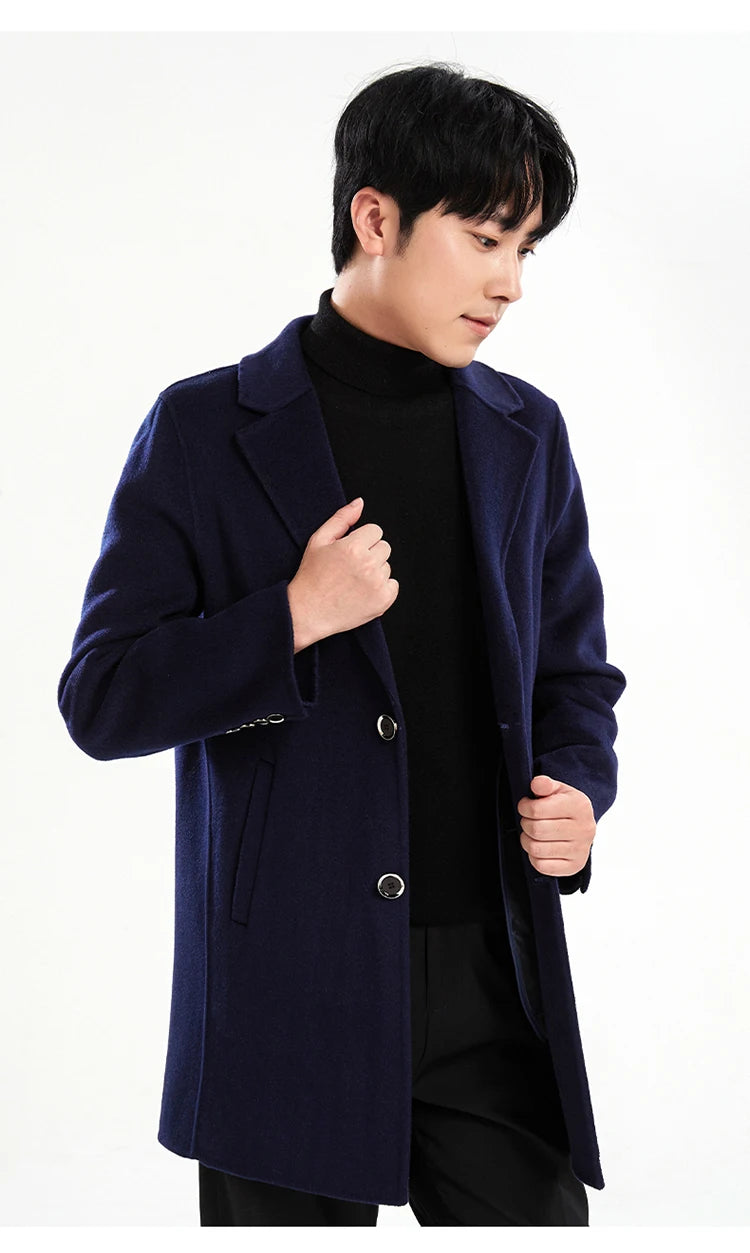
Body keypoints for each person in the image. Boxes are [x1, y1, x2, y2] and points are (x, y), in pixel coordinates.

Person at [57, 61, 626, 1226]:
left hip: (493, 980)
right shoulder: (205, 426)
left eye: (526, 250)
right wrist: (293, 615)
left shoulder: (526, 431)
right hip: (286, 984)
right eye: (485, 239)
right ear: (376, 218)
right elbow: (103, 698)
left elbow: (575, 673)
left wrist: (578, 790)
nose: (511, 283)